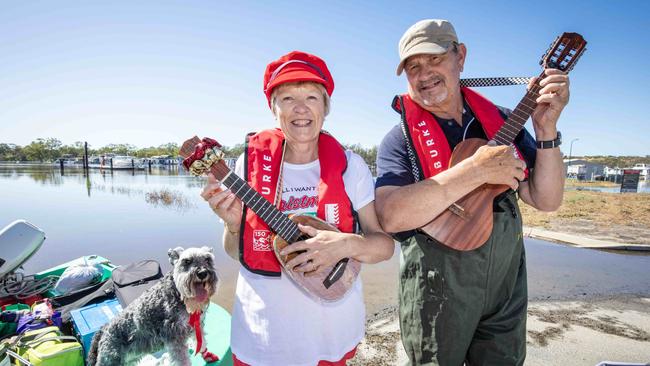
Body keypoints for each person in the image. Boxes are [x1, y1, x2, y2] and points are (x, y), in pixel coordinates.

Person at [375, 19, 570, 365]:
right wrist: (475, 170)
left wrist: (546, 129)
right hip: (436, 294)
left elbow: (546, 199)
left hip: (504, 288)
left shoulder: (500, 121)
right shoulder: (399, 138)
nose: (425, 74)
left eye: (434, 60)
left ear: (460, 56)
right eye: (413, 67)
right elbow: (390, 215)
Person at [201, 50, 394, 366]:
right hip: (262, 337)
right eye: (288, 97)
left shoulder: (352, 166)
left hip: (332, 332)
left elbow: (384, 247)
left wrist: (344, 245)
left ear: (325, 106)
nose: (301, 108)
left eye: (312, 97)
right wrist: (234, 226)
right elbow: (235, 253)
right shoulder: (244, 166)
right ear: (273, 108)